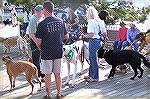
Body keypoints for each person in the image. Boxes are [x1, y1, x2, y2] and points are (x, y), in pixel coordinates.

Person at [33, 1, 69, 98]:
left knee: (47, 74)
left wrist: (40, 47)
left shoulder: (41, 24)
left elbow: (38, 42)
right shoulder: (61, 21)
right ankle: (58, 93)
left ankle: (48, 95)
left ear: (44, 10)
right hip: (58, 51)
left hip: (46, 53)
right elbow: (66, 36)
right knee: (58, 74)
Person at [82, 6, 109, 82]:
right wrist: (105, 38)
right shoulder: (100, 21)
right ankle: (90, 75)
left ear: (88, 14)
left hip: (93, 41)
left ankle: (95, 77)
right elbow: (104, 33)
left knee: (93, 60)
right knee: (92, 58)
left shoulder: (91, 22)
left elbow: (91, 34)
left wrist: (84, 36)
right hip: (99, 42)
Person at [27, 5, 45, 82]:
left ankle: (42, 75)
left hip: (41, 42)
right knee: (36, 60)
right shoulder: (33, 19)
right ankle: (37, 76)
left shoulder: (42, 17)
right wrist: (37, 43)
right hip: (35, 42)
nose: (43, 13)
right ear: (37, 12)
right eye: (41, 12)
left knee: (42, 59)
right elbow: (32, 35)